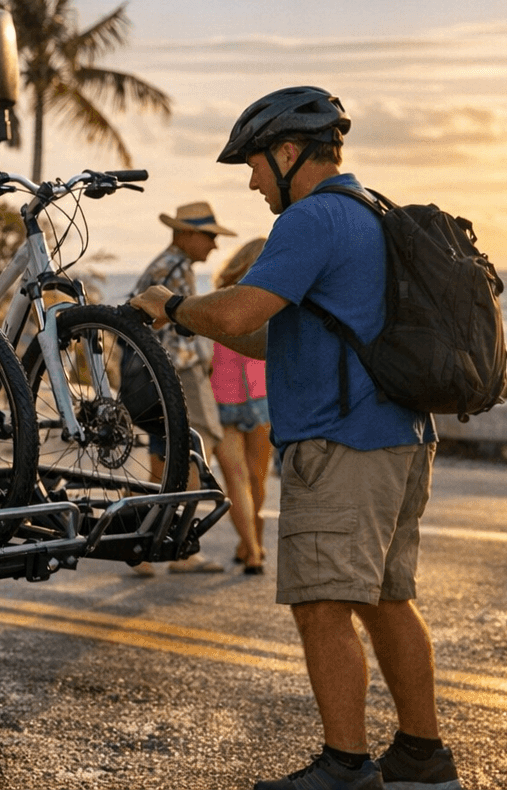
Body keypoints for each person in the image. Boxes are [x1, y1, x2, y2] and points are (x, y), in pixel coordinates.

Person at [131, 87, 458, 790]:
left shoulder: (311, 219)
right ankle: (422, 758)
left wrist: (172, 305)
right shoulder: (370, 213)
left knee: (322, 603)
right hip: (398, 435)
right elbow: (267, 334)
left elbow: (239, 310)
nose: (252, 182)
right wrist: (200, 321)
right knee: (386, 599)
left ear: (287, 152)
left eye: (254, 165)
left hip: (341, 444)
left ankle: (345, 767)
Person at [128, 200, 233, 578]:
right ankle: (181, 547)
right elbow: (186, 325)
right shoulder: (177, 267)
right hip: (179, 372)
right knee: (194, 450)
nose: (214, 245)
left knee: (162, 461)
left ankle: (138, 544)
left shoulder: (162, 265)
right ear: (186, 234)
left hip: (154, 374)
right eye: (208, 236)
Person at [210, 237, 272, 575]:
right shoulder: (269, 297)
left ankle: (250, 547)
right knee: (256, 479)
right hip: (258, 396)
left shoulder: (219, 297)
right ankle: (253, 545)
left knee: (237, 480)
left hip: (224, 396)